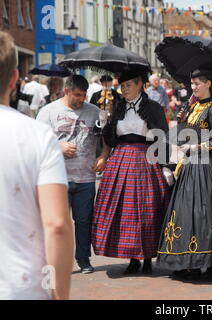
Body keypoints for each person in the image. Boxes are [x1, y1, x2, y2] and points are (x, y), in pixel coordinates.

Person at [0, 31, 74, 300]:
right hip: (22, 287)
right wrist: (60, 294)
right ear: (14, 79)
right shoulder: (37, 136)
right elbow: (56, 224)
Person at [157, 68, 212, 281]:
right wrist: (182, 122)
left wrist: (196, 147)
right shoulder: (193, 107)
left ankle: (211, 262)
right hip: (191, 166)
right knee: (188, 212)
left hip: (209, 167)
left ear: (208, 83)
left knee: (207, 212)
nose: (193, 87)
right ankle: (189, 261)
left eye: (198, 84)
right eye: (192, 84)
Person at [91, 69, 172, 275]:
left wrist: (164, 165)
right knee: (124, 210)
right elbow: (110, 139)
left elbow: (161, 136)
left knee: (147, 208)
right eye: (122, 85)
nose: (123, 89)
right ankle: (133, 257)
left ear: (139, 85)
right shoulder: (117, 107)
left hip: (146, 158)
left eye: (127, 85)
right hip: (121, 159)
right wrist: (105, 120)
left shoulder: (153, 108)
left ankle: (147, 258)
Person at [37, 75, 102, 274]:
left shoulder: (94, 112)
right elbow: (37, 141)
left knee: (84, 221)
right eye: (77, 95)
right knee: (57, 223)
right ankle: (55, 261)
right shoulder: (48, 111)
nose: (81, 99)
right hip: (57, 179)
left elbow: (106, 138)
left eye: (84, 95)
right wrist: (58, 146)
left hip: (86, 178)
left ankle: (83, 259)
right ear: (67, 91)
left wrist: (104, 156)